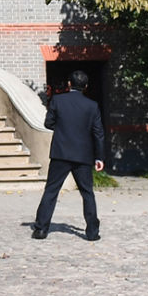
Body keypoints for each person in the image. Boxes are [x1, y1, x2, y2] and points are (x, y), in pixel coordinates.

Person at [32, 69, 105, 241]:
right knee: (87, 193)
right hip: (83, 155)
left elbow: (48, 123)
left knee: (51, 190)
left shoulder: (58, 100)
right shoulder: (92, 106)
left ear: (69, 84)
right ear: (85, 86)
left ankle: (41, 229)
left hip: (61, 152)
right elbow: (98, 133)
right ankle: (92, 232)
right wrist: (99, 157)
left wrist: (62, 129)